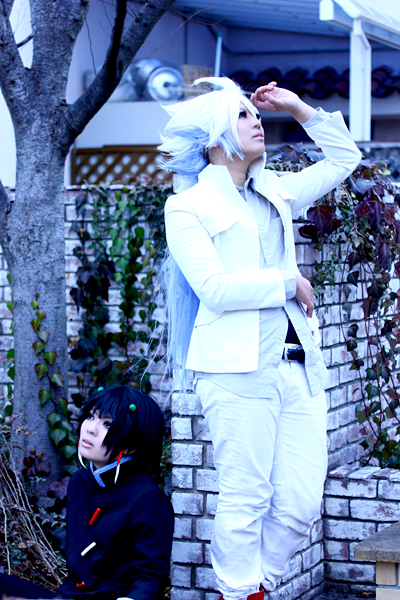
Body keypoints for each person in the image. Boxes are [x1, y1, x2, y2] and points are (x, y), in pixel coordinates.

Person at [160, 77, 361, 600]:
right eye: (243, 115)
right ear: (214, 136)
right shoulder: (188, 206)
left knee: (301, 499)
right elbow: (214, 289)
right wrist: (286, 283)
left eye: (255, 114)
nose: (256, 122)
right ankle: (240, 592)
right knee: (246, 495)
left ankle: (259, 585)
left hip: (297, 364)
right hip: (235, 371)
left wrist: (296, 107)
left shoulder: (275, 189)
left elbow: (345, 159)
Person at [0, 385, 174, 600]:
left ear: (132, 445)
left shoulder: (148, 499)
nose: (91, 428)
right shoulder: (80, 481)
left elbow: (150, 577)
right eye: (91, 417)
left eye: (107, 424)